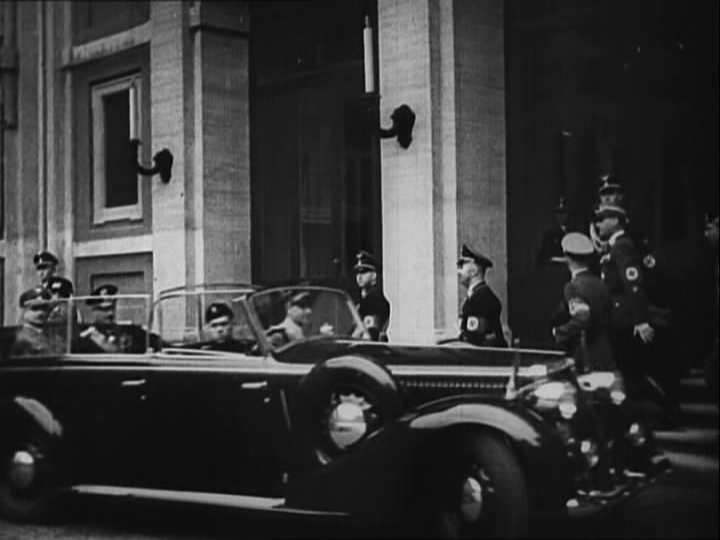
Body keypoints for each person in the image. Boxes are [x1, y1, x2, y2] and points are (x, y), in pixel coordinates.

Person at [593, 204, 680, 424]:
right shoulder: (614, 247)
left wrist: (641, 320)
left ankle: (666, 411)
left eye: (603, 219)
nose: (599, 224)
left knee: (633, 372)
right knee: (629, 371)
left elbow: (634, 284)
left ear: (616, 221)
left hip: (625, 320)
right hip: (618, 318)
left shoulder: (622, 247)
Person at [551, 233, 614, 372]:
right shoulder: (600, 283)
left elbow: (582, 318)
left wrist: (559, 332)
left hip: (584, 353)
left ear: (567, 258)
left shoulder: (572, 287)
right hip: (605, 352)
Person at [456, 244, 508, 347]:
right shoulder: (476, 296)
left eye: (462, 265)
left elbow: (474, 341)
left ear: (474, 271)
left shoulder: (481, 299)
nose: (458, 271)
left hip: (486, 359)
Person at [73, 284, 148, 354]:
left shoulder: (128, 331)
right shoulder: (86, 334)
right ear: (94, 311)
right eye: (105, 309)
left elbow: (153, 342)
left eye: (112, 308)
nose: (110, 313)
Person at [10, 287, 59, 357]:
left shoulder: (50, 335)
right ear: (24, 310)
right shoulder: (24, 340)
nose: (41, 312)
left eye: (44, 307)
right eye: (35, 308)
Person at [353, 250, 390, 341]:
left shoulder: (376, 301)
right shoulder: (359, 300)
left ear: (374, 276)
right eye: (357, 272)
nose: (359, 276)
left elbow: (369, 333)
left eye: (364, 272)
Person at [536, 197, 570, 265]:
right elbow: (546, 256)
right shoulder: (549, 234)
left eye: (563, 213)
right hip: (555, 268)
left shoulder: (573, 233)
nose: (561, 216)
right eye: (558, 213)